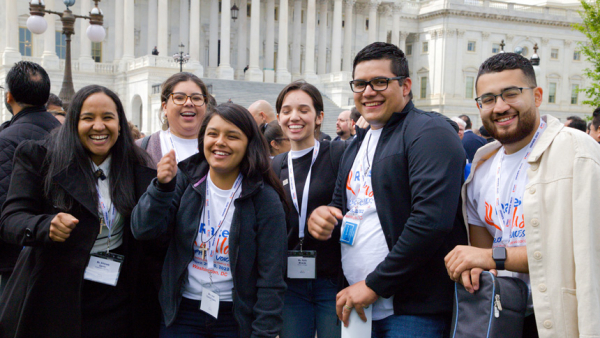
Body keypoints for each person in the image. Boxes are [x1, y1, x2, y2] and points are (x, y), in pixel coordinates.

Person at [307, 42, 467, 337]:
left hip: (411, 310)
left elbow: (430, 222)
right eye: (360, 83)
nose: (368, 91)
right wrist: (323, 215)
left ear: (406, 86)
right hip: (360, 308)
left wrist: (374, 284)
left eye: (380, 82)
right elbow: (344, 207)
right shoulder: (356, 144)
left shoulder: (429, 132)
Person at [445, 52, 600, 338]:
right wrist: (473, 267)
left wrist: (491, 258)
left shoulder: (576, 152)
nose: (500, 107)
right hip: (504, 318)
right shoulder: (481, 167)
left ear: (538, 95)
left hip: (562, 317)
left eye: (511, 94)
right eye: (488, 99)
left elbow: (579, 251)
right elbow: (483, 256)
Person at [0, 85, 158, 337]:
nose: (98, 126)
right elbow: (11, 219)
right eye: (88, 118)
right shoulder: (39, 158)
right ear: (73, 123)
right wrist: (45, 225)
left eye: (108, 117)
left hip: (117, 297)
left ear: (120, 124)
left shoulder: (136, 167)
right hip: (55, 296)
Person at [131, 103, 288, 337]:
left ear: (249, 144)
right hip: (183, 312)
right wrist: (161, 188)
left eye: (232, 136)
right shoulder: (185, 180)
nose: (220, 142)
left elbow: (271, 278)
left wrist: (264, 333)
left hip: (234, 318)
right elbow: (142, 229)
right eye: (212, 134)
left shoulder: (264, 198)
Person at [271, 81, 346, 338]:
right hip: (291, 285)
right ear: (279, 117)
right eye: (287, 110)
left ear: (319, 117)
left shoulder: (338, 154)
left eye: (304, 110)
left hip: (332, 281)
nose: (295, 117)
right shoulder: (273, 166)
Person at [0, 61, 61, 296]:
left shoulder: (6, 139)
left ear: (9, 98)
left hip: (17, 258)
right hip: (62, 249)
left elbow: (5, 208)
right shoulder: (66, 134)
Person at [137, 72, 209, 165]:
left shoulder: (219, 148)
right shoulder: (141, 149)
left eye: (196, 98)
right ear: (165, 107)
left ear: (205, 107)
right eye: (179, 98)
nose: (188, 103)